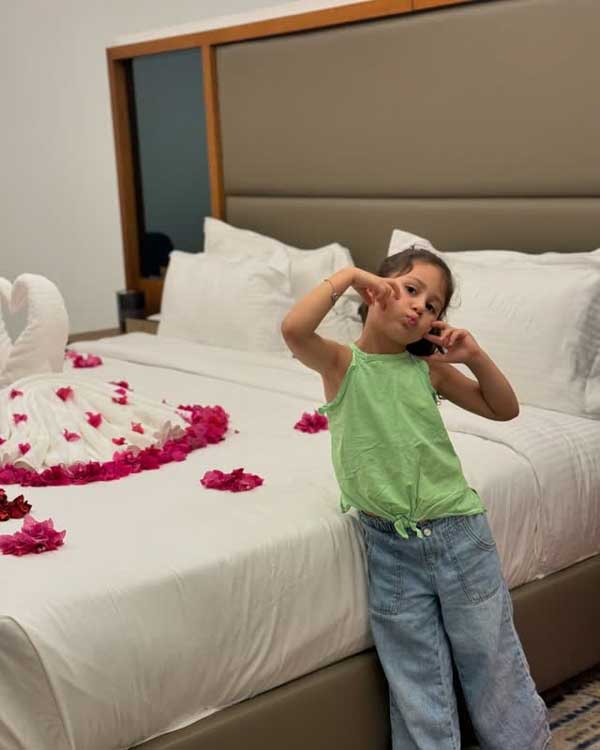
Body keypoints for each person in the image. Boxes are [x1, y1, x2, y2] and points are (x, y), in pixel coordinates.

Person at [281, 247, 551, 750]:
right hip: (389, 547)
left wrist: (474, 357)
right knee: (415, 674)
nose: (419, 308)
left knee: (490, 656)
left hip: (458, 534)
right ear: (375, 290)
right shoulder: (342, 363)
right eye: (409, 289)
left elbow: (504, 409)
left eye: (432, 306)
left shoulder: (429, 370)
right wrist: (349, 274)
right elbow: (294, 330)